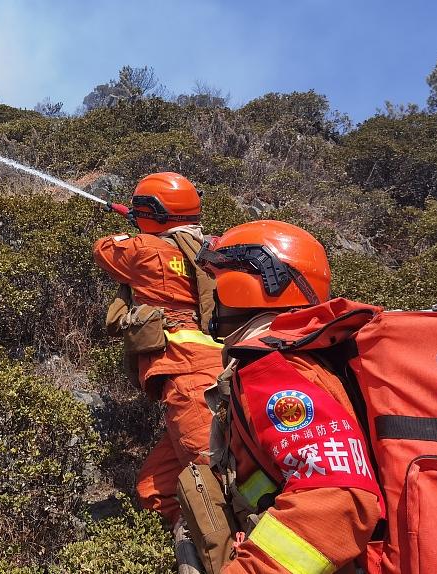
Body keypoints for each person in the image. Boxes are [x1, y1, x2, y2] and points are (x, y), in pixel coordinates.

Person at [194, 220, 383, 574]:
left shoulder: (275, 371)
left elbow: (339, 500)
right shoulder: (290, 354)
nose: (211, 297)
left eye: (218, 282)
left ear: (248, 285)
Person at [93, 172, 225, 526]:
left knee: (215, 478)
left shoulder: (144, 249)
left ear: (151, 211)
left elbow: (103, 249)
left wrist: (138, 228)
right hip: (215, 366)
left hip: (188, 377)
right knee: (154, 490)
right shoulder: (210, 248)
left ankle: (234, 549)